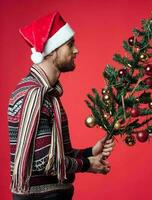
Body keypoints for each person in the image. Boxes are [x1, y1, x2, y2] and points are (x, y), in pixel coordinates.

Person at [8, 12, 114, 200]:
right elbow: (44, 162)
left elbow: (55, 153)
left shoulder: (48, 95)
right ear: (52, 51)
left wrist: (90, 152)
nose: (76, 50)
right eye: (70, 44)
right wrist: (87, 164)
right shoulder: (35, 95)